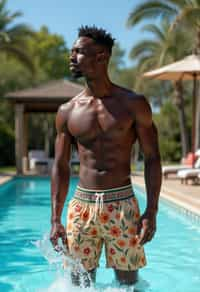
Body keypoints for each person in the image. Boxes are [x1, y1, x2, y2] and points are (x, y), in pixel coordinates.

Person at [50, 25, 162, 287]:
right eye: (72, 51)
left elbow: (153, 157)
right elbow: (60, 165)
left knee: (127, 284)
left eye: (78, 52)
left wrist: (152, 210)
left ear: (101, 57)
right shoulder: (67, 111)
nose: (71, 57)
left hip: (121, 205)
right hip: (81, 207)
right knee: (79, 284)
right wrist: (55, 218)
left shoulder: (133, 104)